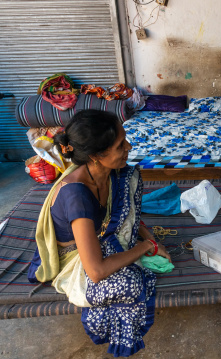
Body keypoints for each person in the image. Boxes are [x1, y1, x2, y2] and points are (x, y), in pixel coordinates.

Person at [27, 109, 172, 357]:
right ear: (95, 156)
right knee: (130, 282)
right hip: (77, 260)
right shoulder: (77, 196)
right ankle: (115, 337)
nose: (129, 146)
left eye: (124, 139)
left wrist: (149, 237)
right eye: (120, 145)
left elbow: (126, 212)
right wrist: (145, 248)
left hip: (101, 239)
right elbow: (96, 271)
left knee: (131, 176)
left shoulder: (113, 173)